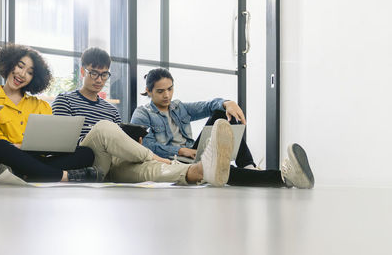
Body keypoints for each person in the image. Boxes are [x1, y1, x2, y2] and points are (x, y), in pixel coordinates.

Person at [53, 47, 231, 186]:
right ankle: (158, 158)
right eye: (94, 73)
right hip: (88, 162)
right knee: (103, 128)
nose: (99, 79)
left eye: (104, 74)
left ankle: (198, 172)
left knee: (147, 169)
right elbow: (62, 144)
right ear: (83, 72)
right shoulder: (64, 100)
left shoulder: (111, 110)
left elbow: (118, 141)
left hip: (112, 167)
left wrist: (130, 145)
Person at [131, 67, 315, 188]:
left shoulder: (179, 107)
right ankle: (284, 178)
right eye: (160, 91)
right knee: (224, 172)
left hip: (193, 154)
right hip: (173, 161)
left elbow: (209, 105)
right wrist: (182, 150)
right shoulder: (142, 114)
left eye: (170, 89)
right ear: (148, 91)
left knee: (221, 114)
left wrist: (228, 103)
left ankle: (249, 166)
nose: (167, 95)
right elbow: (147, 147)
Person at [0, 44, 97, 182]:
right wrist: (20, 147)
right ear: (9, 63)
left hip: (35, 158)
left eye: (30, 72)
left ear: (34, 78)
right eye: (20, 66)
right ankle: (63, 176)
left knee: (86, 153)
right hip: (9, 156)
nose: (22, 74)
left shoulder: (41, 105)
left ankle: (25, 173)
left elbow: (51, 142)